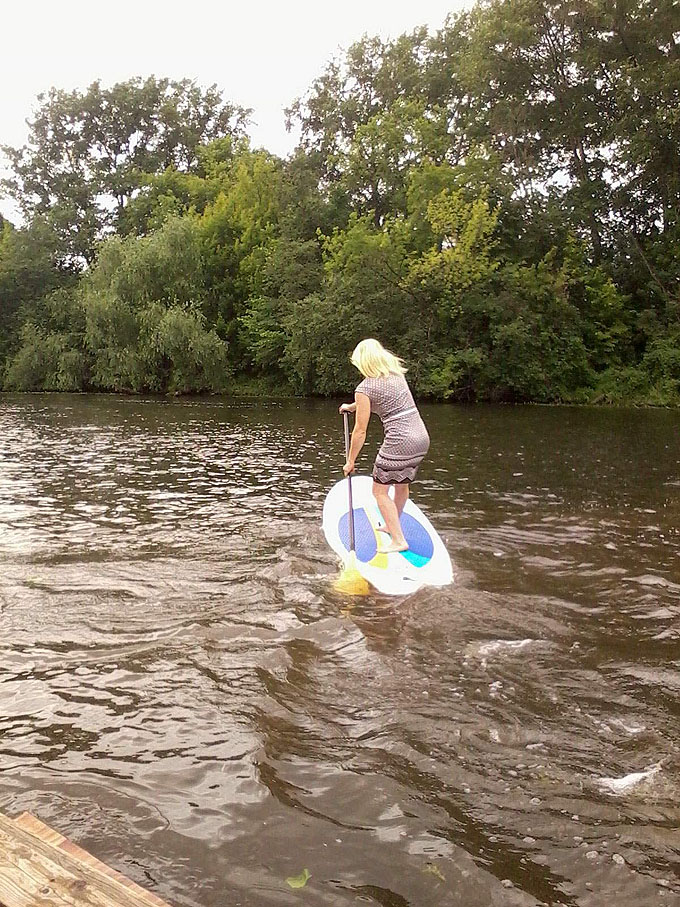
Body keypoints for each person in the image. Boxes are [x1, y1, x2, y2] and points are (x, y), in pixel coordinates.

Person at [339, 338, 430, 553]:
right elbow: (374, 399)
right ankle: (391, 525)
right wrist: (352, 406)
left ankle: (398, 540)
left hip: (400, 442)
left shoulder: (365, 387)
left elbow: (360, 431)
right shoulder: (396, 375)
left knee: (379, 491)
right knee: (401, 484)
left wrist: (350, 461)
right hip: (421, 439)